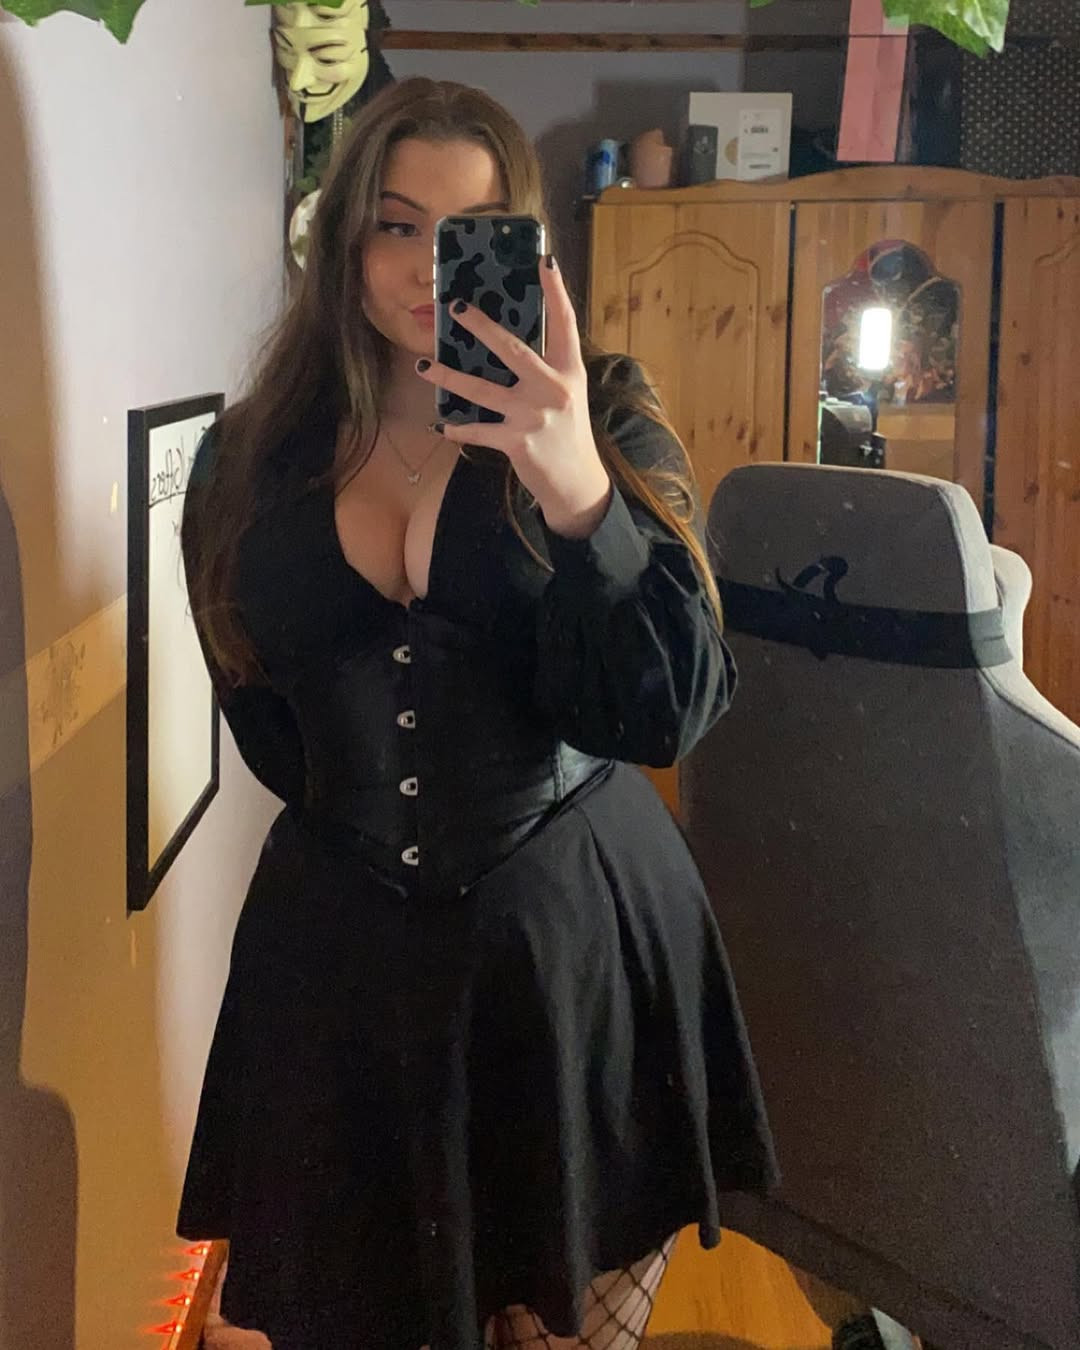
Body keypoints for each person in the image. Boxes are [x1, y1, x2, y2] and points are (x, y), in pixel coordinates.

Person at [179, 77, 775, 1350]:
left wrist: (578, 493)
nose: (424, 268)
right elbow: (259, 706)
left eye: (469, 233)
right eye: (395, 225)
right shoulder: (251, 455)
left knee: (565, 1315)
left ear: (525, 248)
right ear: (345, 238)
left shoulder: (604, 415)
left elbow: (674, 707)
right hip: (337, 977)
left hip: (571, 955)